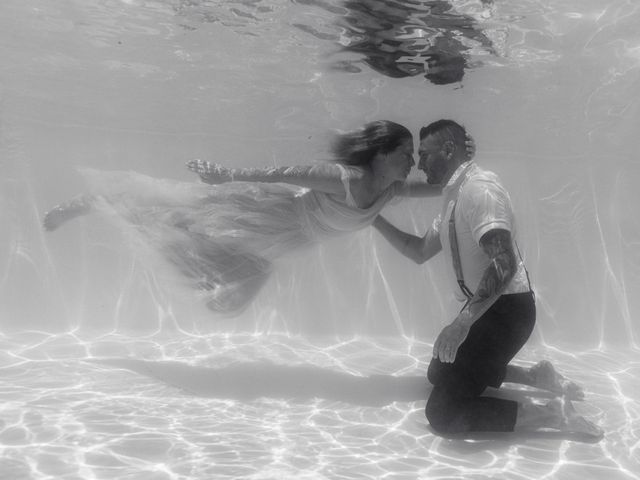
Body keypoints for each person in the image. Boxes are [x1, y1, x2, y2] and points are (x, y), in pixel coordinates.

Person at [43, 120, 441, 315]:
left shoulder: (390, 190)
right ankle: (99, 201)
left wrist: (461, 168)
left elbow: (441, 185)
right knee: (179, 213)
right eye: (406, 152)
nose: (412, 161)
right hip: (271, 210)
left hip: (292, 235)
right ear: (380, 153)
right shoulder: (346, 178)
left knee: (222, 276)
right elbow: (283, 173)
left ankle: (113, 206)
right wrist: (225, 174)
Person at [373, 119, 603, 439]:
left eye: (425, 154)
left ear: (449, 149)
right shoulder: (454, 196)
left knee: (442, 413)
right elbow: (418, 251)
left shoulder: (480, 191)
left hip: (508, 312)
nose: (419, 164)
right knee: (438, 370)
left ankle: (552, 414)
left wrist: (461, 323)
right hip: (489, 308)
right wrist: (372, 218)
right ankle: (537, 376)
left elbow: (504, 264)